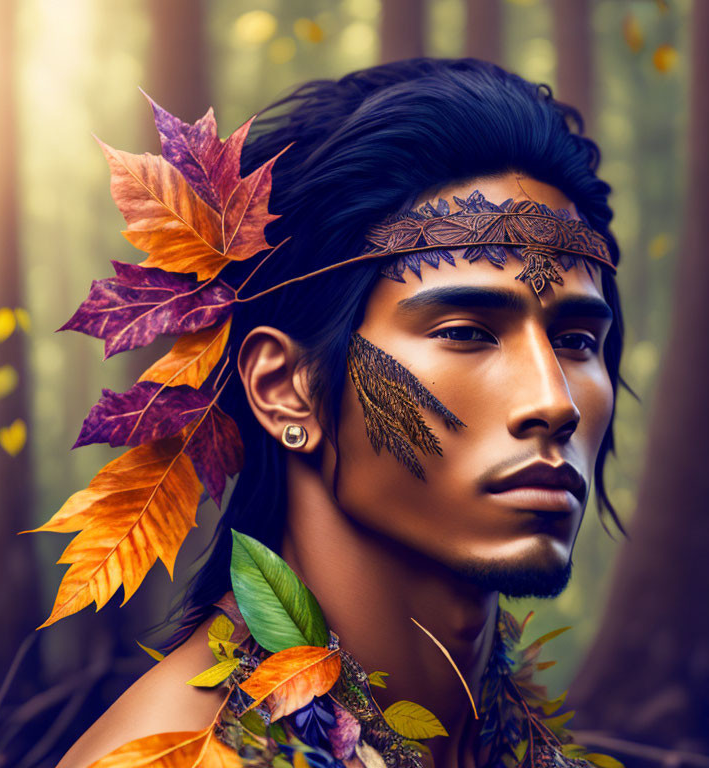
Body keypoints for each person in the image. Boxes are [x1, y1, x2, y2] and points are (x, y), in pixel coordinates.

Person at [51, 58, 624, 768]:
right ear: (285, 388)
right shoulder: (168, 755)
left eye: (575, 341)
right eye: (466, 333)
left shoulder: (500, 740)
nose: (554, 402)